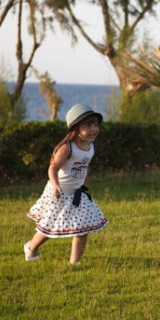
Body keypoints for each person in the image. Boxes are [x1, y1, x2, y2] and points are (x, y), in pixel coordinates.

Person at [24, 103, 108, 265]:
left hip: (77, 193)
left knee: (83, 228)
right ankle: (31, 248)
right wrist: (56, 185)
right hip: (59, 193)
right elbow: (53, 168)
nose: (93, 129)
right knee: (50, 227)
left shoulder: (91, 146)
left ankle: (74, 263)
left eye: (95, 125)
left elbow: (84, 165)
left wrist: (84, 183)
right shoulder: (67, 148)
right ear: (75, 129)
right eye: (87, 125)